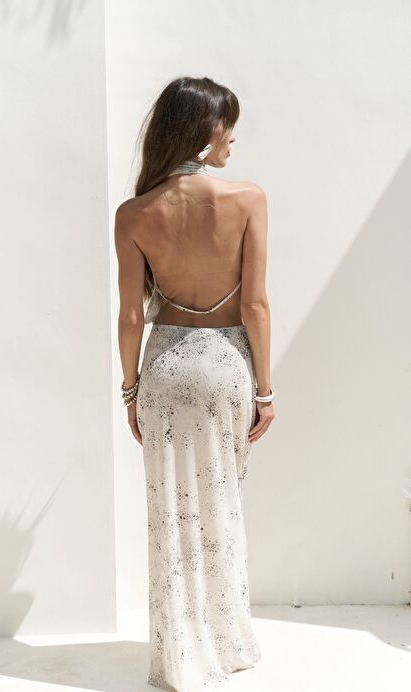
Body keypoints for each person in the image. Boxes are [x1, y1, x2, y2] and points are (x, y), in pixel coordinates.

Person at [115, 76, 274, 692]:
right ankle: (226, 643)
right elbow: (254, 306)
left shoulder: (135, 213)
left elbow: (131, 317)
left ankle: (180, 653)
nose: (233, 138)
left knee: (171, 512)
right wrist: (265, 389)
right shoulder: (248, 199)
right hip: (226, 368)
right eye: (228, 126)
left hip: (164, 369)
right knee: (221, 506)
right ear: (206, 130)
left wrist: (130, 390)